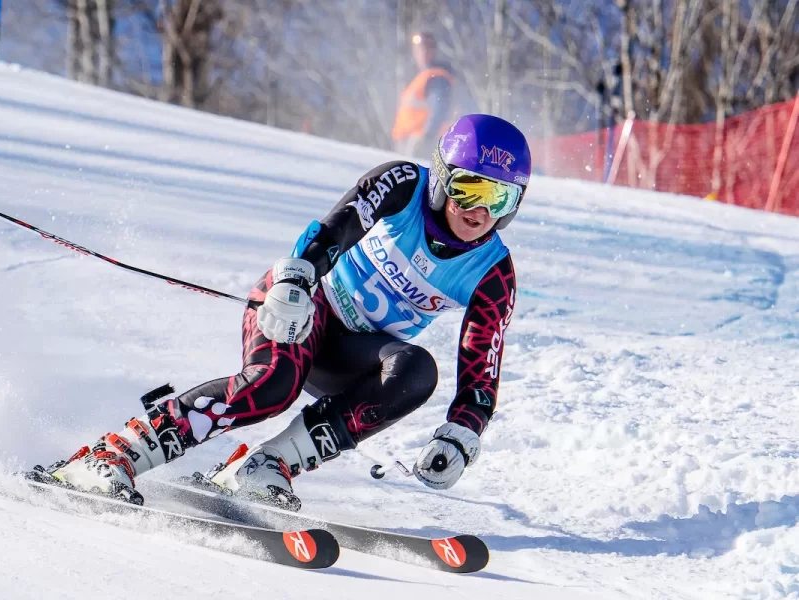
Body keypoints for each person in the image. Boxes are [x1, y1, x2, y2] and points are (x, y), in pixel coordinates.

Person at [38, 114, 531, 509]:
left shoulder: (493, 271)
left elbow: (481, 366)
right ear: (444, 178)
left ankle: (264, 467)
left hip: (350, 353)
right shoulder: (403, 184)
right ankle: (113, 453)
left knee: (417, 371)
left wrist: (465, 428)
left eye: (499, 197)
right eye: (469, 189)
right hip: (299, 305)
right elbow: (336, 227)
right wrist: (298, 277)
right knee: (274, 384)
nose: (480, 211)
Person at [391, 32, 455, 158]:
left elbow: (439, 108)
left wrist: (427, 136)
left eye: (427, 48)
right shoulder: (420, 76)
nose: (423, 53)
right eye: (420, 49)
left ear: (433, 51)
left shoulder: (437, 77)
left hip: (420, 142)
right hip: (407, 140)